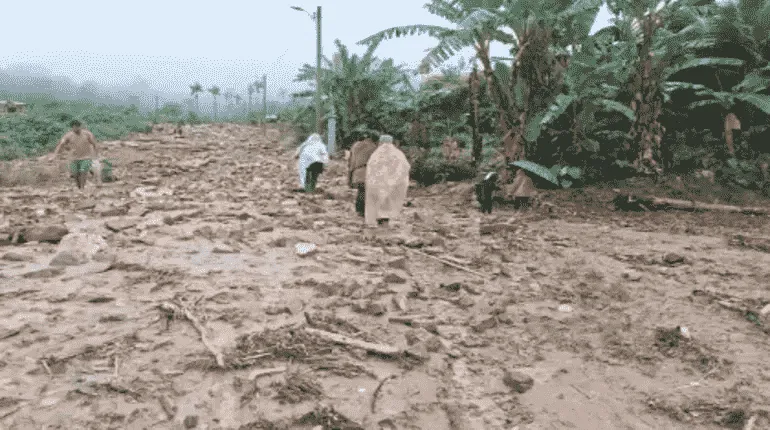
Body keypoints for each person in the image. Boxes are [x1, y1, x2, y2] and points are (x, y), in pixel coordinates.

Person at [364, 135, 410, 227]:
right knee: (388, 205)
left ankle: (377, 223)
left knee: (377, 204)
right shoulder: (398, 154)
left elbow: (370, 169)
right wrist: (395, 181)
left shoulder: (376, 154)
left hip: (377, 185)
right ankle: (385, 222)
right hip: (393, 186)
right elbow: (405, 168)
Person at [51, 120, 100, 190]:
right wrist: (55, 155)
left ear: (80, 126)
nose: (76, 129)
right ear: (72, 128)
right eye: (74, 127)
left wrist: (96, 154)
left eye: (77, 127)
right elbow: (61, 145)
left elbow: (94, 144)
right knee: (75, 174)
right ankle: (79, 187)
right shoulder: (68, 136)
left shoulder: (87, 134)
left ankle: (82, 188)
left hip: (86, 157)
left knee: (83, 171)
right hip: (73, 158)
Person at [348, 137, 378, 216]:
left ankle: (359, 210)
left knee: (361, 191)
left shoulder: (355, 146)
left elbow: (351, 162)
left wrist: (349, 176)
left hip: (357, 172)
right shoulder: (373, 147)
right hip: (369, 172)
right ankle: (365, 211)